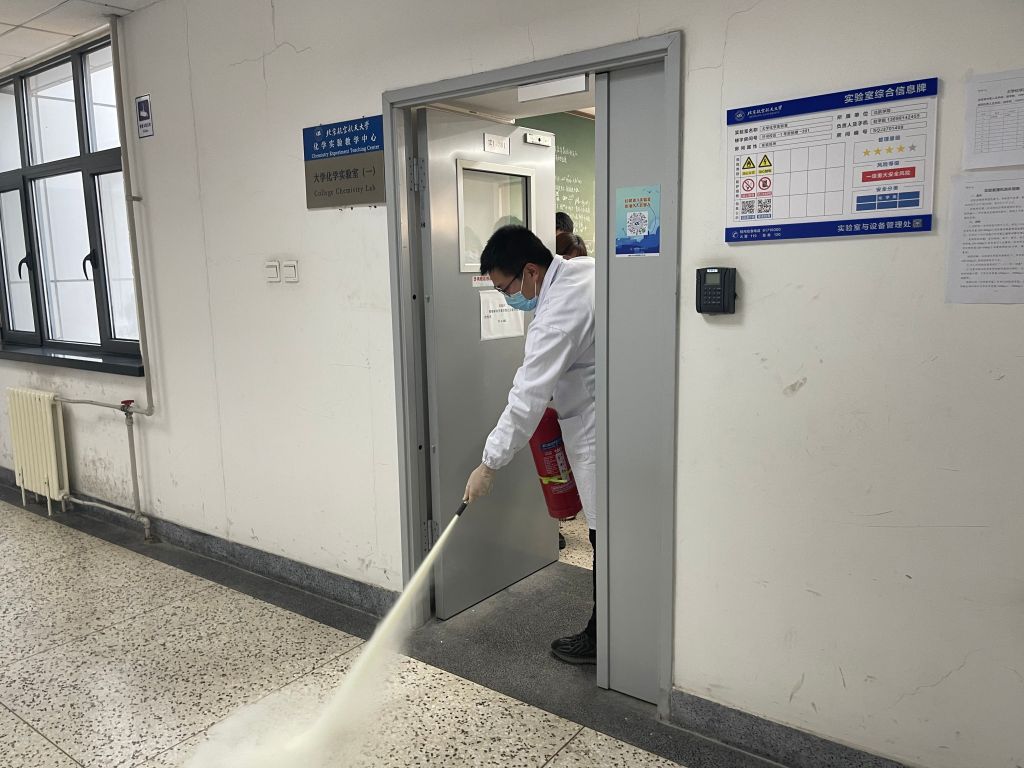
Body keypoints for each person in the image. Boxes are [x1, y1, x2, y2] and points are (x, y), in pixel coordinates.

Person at [463, 225, 598, 665]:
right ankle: (610, 629)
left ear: (531, 272)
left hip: (597, 425)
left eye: (506, 288)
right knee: (610, 532)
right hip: (605, 416)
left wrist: (489, 464)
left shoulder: (558, 314)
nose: (508, 299)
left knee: (603, 534)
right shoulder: (582, 270)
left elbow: (526, 397)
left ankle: (604, 636)